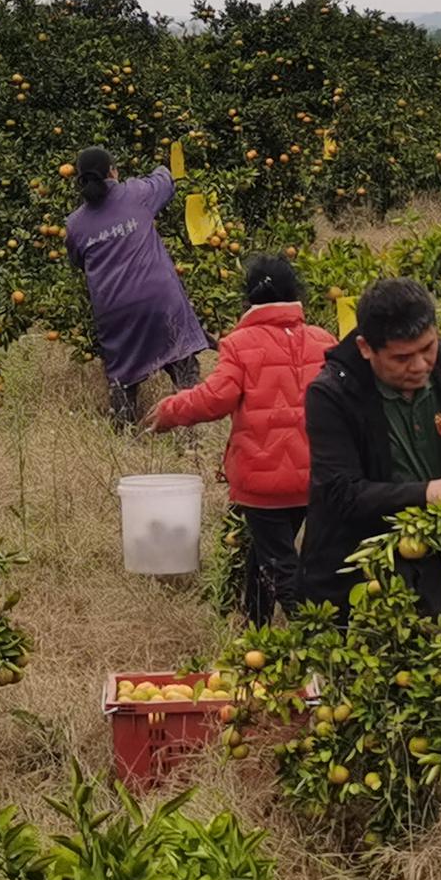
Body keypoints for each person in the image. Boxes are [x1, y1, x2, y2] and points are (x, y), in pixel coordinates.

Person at [299, 277, 441, 619]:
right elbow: (340, 492)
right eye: (402, 358)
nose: (419, 366)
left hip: (424, 560)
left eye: (427, 348)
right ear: (365, 348)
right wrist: (428, 493)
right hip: (353, 567)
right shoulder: (332, 394)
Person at [147, 256, 334, 623]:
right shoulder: (324, 341)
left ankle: (316, 638)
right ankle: (255, 624)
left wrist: (170, 411)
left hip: (262, 481)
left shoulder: (239, 343)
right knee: (265, 552)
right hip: (314, 477)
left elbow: (214, 399)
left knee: (280, 563)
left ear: (247, 299)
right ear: (297, 294)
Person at [63, 146, 210, 426]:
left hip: (115, 312)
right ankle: (191, 439)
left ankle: (124, 437)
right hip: (159, 300)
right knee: (183, 367)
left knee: (122, 378)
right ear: (113, 172)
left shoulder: (75, 224)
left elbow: (79, 261)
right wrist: (163, 163)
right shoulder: (136, 193)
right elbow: (166, 180)